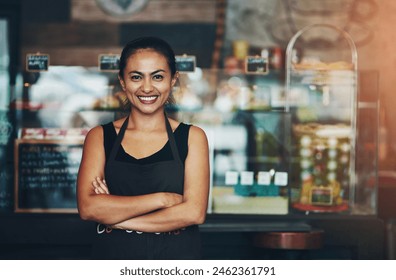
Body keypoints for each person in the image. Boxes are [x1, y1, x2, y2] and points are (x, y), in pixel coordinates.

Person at [77, 36, 210, 260]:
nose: (147, 88)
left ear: (173, 79)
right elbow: (88, 208)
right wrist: (163, 200)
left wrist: (116, 219)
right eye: (136, 77)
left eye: (157, 76)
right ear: (122, 81)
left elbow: (193, 213)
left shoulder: (192, 138)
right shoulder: (99, 137)